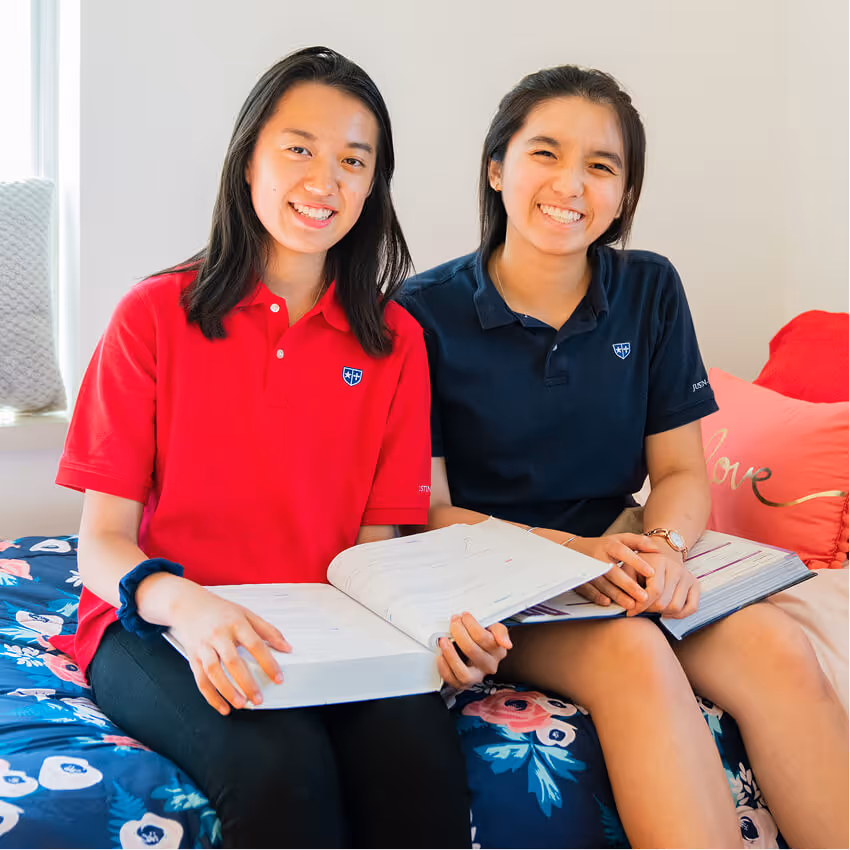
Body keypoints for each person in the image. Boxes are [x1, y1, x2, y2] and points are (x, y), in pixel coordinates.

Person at [397, 63, 849, 848]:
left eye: (602, 165)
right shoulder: (421, 312)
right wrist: (578, 555)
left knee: (779, 646)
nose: (572, 182)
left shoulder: (650, 288)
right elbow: (428, 510)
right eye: (546, 153)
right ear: (497, 168)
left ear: (624, 194)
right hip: (503, 575)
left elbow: (678, 472)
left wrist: (666, 550)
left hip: (623, 548)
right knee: (635, 654)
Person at [53, 46, 472, 850]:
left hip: (328, 625)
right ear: (249, 159)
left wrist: (436, 631)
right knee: (283, 773)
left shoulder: (397, 343)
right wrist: (189, 603)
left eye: (354, 160)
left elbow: (374, 550)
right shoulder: (152, 316)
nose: (326, 180)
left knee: (419, 765)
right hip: (156, 622)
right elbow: (100, 542)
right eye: (300, 149)